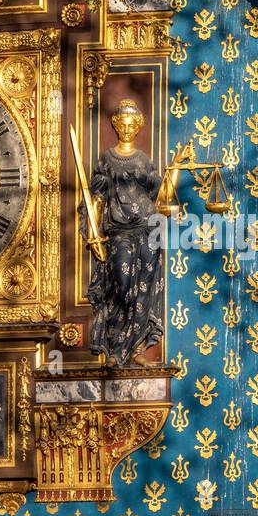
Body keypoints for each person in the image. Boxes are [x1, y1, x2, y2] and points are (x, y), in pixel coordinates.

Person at [80, 99, 164, 367]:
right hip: (118, 231)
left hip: (147, 229)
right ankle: (114, 347)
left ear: (138, 127)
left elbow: (159, 196)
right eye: (122, 125)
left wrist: (175, 168)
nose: (127, 130)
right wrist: (92, 230)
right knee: (122, 283)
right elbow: (96, 196)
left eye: (132, 125)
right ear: (116, 125)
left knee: (143, 292)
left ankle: (135, 349)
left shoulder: (142, 160)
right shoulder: (107, 159)